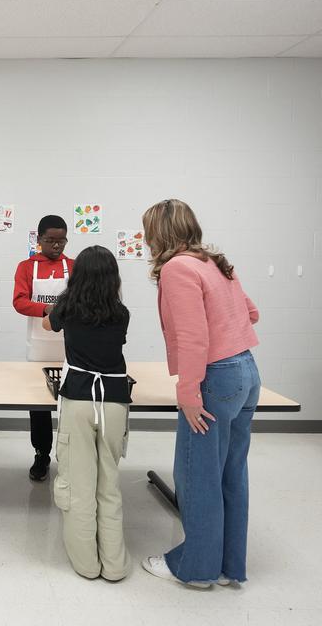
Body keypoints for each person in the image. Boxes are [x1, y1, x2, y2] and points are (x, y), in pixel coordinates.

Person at [139, 199, 260, 589]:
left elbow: (194, 338)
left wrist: (188, 392)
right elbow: (251, 313)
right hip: (246, 371)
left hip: (214, 378)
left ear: (161, 233)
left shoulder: (177, 268)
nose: (144, 239)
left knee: (197, 476)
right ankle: (227, 567)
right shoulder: (215, 262)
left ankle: (196, 569)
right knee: (231, 473)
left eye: (148, 231)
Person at [43, 245, 131, 581]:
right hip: (115, 401)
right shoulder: (121, 313)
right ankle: (115, 565)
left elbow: (48, 325)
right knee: (108, 483)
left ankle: (86, 564)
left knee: (79, 483)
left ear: (77, 275)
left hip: (79, 397)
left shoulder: (67, 306)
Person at [13, 215, 75, 481]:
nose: (56, 246)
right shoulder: (26, 267)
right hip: (38, 348)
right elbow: (19, 302)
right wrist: (50, 309)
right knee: (38, 406)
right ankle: (41, 454)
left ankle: (71, 456)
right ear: (39, 240)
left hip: (71, 348)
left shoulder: (73, 267)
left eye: (61, 241)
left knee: (71, 405)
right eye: (50, 241)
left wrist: (64, 312)